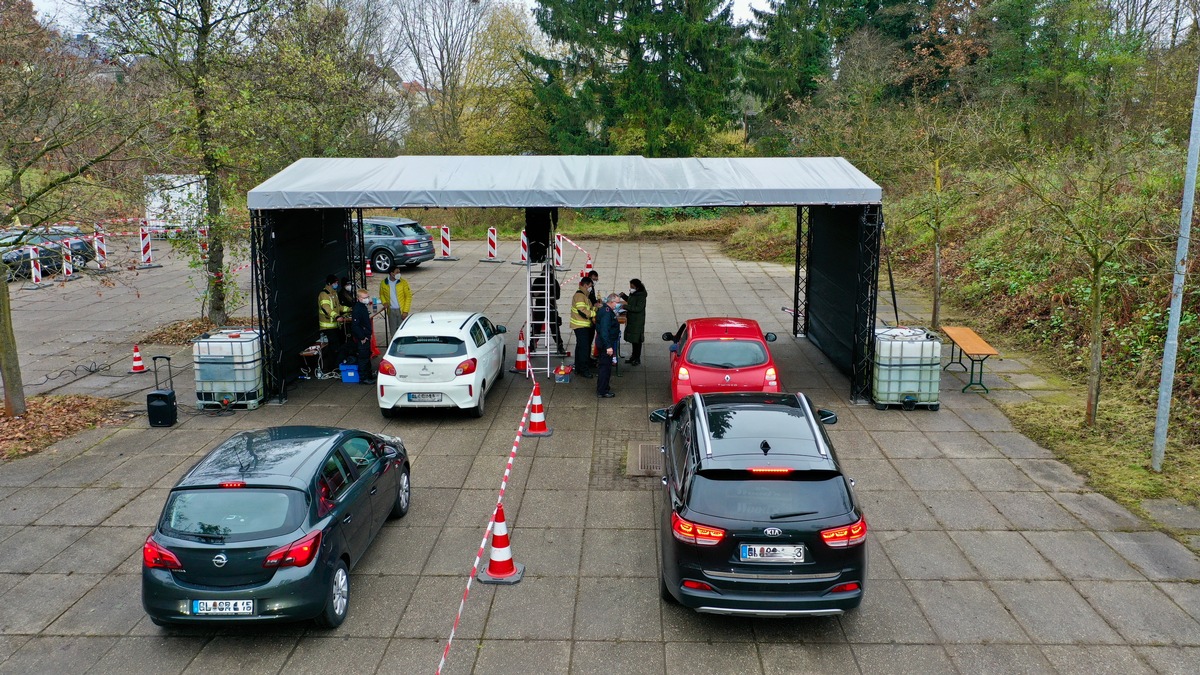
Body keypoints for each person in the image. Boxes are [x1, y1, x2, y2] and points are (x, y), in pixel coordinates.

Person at [530, 264, 567, 355]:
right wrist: (540, 294)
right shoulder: (541, 281)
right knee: (538, 327)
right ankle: (532, 344)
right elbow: (533, 293)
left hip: (549, 307)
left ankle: (559, 345)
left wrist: (546, 295)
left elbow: (557, 296)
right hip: (542, 307)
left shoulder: (552, 282)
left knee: (553, 327)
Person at [594, 293, 622, 398]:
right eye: (617, 302)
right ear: (611, 302)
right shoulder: (606, 313)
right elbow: (604, 331)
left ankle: (603, 387)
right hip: (606, 344)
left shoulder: (606, 310)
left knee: (604, 367)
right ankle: (602, 390)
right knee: (605, 368)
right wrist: (608, 347)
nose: (618, 304)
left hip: (605, 343)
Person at [569, 277, 595, 378]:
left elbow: (587, 307)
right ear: (585, 285)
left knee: (580, 346)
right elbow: (582, 311)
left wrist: (595, 307)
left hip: (581, 325)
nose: (590, 288)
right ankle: (584, 370)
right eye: (590, 286)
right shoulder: (580, 296)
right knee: (584, 348)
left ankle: (578, 367)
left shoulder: (584, 295)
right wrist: (594, 313)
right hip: (581, 325)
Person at [318, 274, 350, 354]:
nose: (336, 284)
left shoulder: (334, 293)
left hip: (336, 325)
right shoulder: (323, 295)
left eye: (337, 283)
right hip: (327, 327)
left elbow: (338, 307)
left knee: (341, 343)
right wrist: (337, 316)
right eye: (335, 283)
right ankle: (334, 365)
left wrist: (349, 309)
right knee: (334, 348)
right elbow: (326, 308)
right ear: (329, 283)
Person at [350, 289, 376, 384]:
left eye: (367, 297)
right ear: (359, 298)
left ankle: (368, 375)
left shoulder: (362, 307)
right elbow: (355, 326)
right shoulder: (358, 309)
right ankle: (363, 378)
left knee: (367, 356)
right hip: (363, 337)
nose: (367, 299)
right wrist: (362, 337)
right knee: (363, 358)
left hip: (366, 336)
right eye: (365, 298)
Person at [620, 278, 648, 365]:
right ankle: (633, 356)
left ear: (637, 287)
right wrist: (624, 296)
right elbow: (631, 301)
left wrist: (625, 307)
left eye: (632, 287)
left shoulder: (641, 296)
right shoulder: (634, 294)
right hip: (632, 319)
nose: (630, 288)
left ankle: (637, 358)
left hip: (637, 321)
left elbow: (638, 308)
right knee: (633, 340)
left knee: (637, 340)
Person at [379, 267, 412, 336]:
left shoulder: (403, 282)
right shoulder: (383, 283)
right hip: (391, 311)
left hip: (401, 310)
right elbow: (381, 294)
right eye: (397, 272)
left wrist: (405, 311)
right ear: (391, 273)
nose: (399, 274)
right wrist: (384, 302)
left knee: (402, 332)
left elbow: (408, 297)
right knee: (393, 332)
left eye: (399, 272)